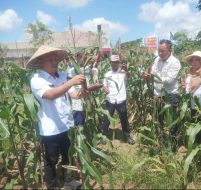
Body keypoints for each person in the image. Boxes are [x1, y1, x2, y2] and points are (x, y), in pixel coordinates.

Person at [26, 45, 88, 188]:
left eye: (56, 59)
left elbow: (73, 94)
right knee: (51, 159)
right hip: (50, 128)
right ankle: (52, 185)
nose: (54, 62)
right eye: (50, 59)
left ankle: (68, 180)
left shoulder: (62, 76)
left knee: (68, 154)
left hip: (66, 125)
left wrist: (82, 94)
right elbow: (50, 95)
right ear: (41, 62)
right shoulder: (37, 80)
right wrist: (71, 81)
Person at [142, 39, 181, 146]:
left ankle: (173, 145)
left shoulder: (175, 62)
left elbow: (169, 80)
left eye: (162, 51)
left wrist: (153, 77)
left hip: (170, 95)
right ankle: (160, 141)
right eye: (159, 51)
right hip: (157, 95)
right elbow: (152, 73)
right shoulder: (156, 60)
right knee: (158, 119)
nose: (160, 53)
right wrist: (146, 76)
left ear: (170, 50)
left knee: (172, 121)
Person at [100, 54, 135, 145]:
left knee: (124, 119)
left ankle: (127, 136)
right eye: (113, 62)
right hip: (110, 99)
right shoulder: (107, 74)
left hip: (121, 100)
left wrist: (127, 70)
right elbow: (104, 84)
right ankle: (104, 136)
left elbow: (130, 77)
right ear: (110, 63)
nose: (115, 64)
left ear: (119, 63)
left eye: (117, 62)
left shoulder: (124, 73)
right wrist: (105, 88)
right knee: (106, 119)